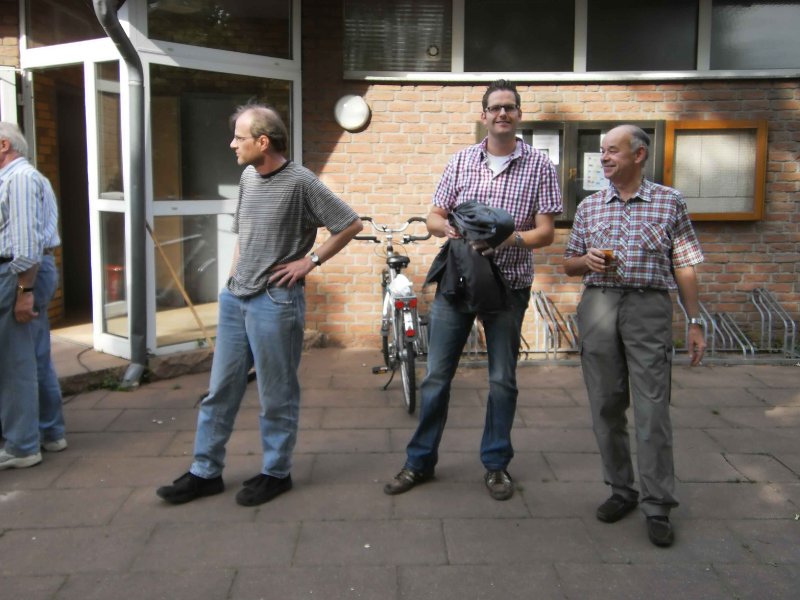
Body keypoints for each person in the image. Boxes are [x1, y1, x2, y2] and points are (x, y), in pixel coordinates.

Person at [157, 104, 362, 506]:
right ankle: (204, 471)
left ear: (263, 141)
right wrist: (230, 283)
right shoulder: (249, 177)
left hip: (275, 302)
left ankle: (276, 473)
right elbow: (243, 234)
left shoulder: (301, 182)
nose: (232, 144)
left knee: (276, 394)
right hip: (236, 298)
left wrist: (309, 261)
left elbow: (350, 224)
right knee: (220, 390)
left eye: (239, 137)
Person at [384, 80, 563, 501]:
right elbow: (434, 215)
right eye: (495, 107)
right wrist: (445, 228)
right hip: (458, 281)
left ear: (519, 115)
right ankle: (419, 461)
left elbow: (546, 232)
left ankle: (496, 464)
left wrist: (506, 240)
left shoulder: (540, 165)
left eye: (509, 107)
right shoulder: (462, 160)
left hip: (509, 285)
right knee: (436, 378)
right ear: (483, 115)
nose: (502, 113)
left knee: (502, 380)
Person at [563, 124, 706, 547]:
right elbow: (568, 264)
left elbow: (685, 264)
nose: (604, 158)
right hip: (599, 306)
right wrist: (585, 261)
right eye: (602, 151)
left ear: (639, 155)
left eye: (613, 151)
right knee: (606, 405)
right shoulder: (590, 206)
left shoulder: (670, 201)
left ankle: (658, 504)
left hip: (648, 307)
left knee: (652, 409)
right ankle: (621, 490)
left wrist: (695, 320)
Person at [0, 121, 66, 470]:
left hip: (22, 275)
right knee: (35, 355)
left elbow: (26, 247)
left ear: (3, 145)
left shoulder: (20, 179)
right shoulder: (26, 177)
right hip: (32, 273)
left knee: (15, 363)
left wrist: (23, 292)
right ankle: (50, 432)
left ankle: (22, 446)